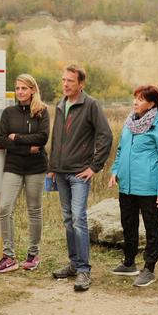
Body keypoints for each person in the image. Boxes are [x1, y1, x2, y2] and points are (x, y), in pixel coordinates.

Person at [48, 65, 113, 292]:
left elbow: (105, 136)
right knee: (67, 218)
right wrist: (52, 167)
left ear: (81, 84)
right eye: (63, 80)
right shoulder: (60, 104)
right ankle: (74, 264)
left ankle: (84, 270)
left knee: (78, 218)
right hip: (61, 171)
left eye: (70, 81)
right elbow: (56, 138)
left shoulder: (91, 105)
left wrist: (95, 167)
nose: (65, 84)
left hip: (79, 173)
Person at [109, 85, 158, 287]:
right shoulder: (128, 124)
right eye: (135, 98)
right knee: (128, 225)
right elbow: (120, 151)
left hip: (148, 187)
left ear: (152, 104)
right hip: (126, 186)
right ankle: (129, 263)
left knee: (151, 228)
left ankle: (149, 269)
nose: (135, 102)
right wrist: (114, 171)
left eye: (141, 99)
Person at [0, 74, 50, 273]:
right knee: (5, 208)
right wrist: (27, 148)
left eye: (23, 88)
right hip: (14, 166)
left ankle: (33, 254)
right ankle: (9, 257)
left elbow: (42, 137)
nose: (20, 92)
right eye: (17, 88)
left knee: (34, 209)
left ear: (32, 90)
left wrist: (16, 137)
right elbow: (2, 139)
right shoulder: (9, 112)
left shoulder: (42, 111)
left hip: (36, 167)